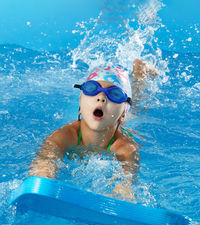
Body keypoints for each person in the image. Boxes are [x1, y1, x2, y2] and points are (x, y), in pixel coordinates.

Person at [29, 59, 158, 200]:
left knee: (137, 111)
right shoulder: (63, 136)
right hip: (111, 117)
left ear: (121, 114)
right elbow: (45, 163)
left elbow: (127, 184)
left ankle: (140, 76)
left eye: (114, 94)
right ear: (80, 101)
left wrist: (118, 194)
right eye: (92, 88)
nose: (101, 97)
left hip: (121, 124)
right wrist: (45, 178)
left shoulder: (126, 148)